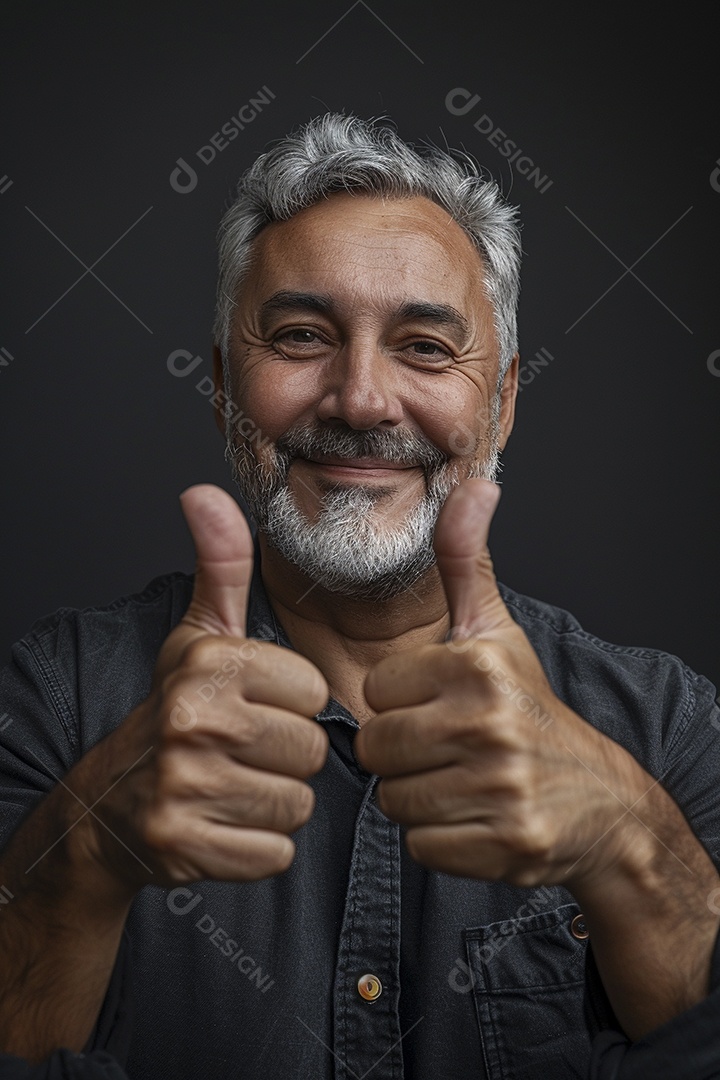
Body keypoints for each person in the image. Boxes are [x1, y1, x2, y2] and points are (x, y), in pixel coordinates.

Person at [1, 113, 719, 1080]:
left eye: (425, 347)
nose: (362, 399)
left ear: (501, 400)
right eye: (301, 336)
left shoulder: (671, 732)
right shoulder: (53, 704)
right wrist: (84, 852)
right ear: (221, 388)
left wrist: (629, 844)